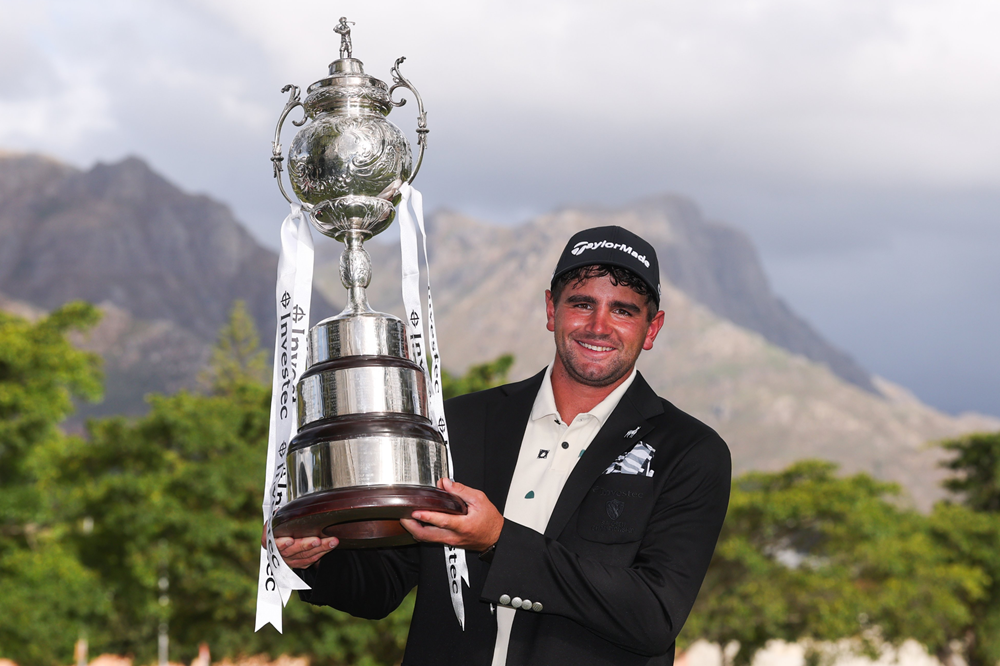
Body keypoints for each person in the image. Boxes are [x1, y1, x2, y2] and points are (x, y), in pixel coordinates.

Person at [274, 226, 731, 666]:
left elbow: (653, 615)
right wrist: (313, 557)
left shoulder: (689, 451)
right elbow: (382, 585)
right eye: (582, 303)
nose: (598, 325)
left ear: (652, 328)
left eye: (623, 311)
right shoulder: (457, 424)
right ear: (551, 309)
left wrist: (497, 541)